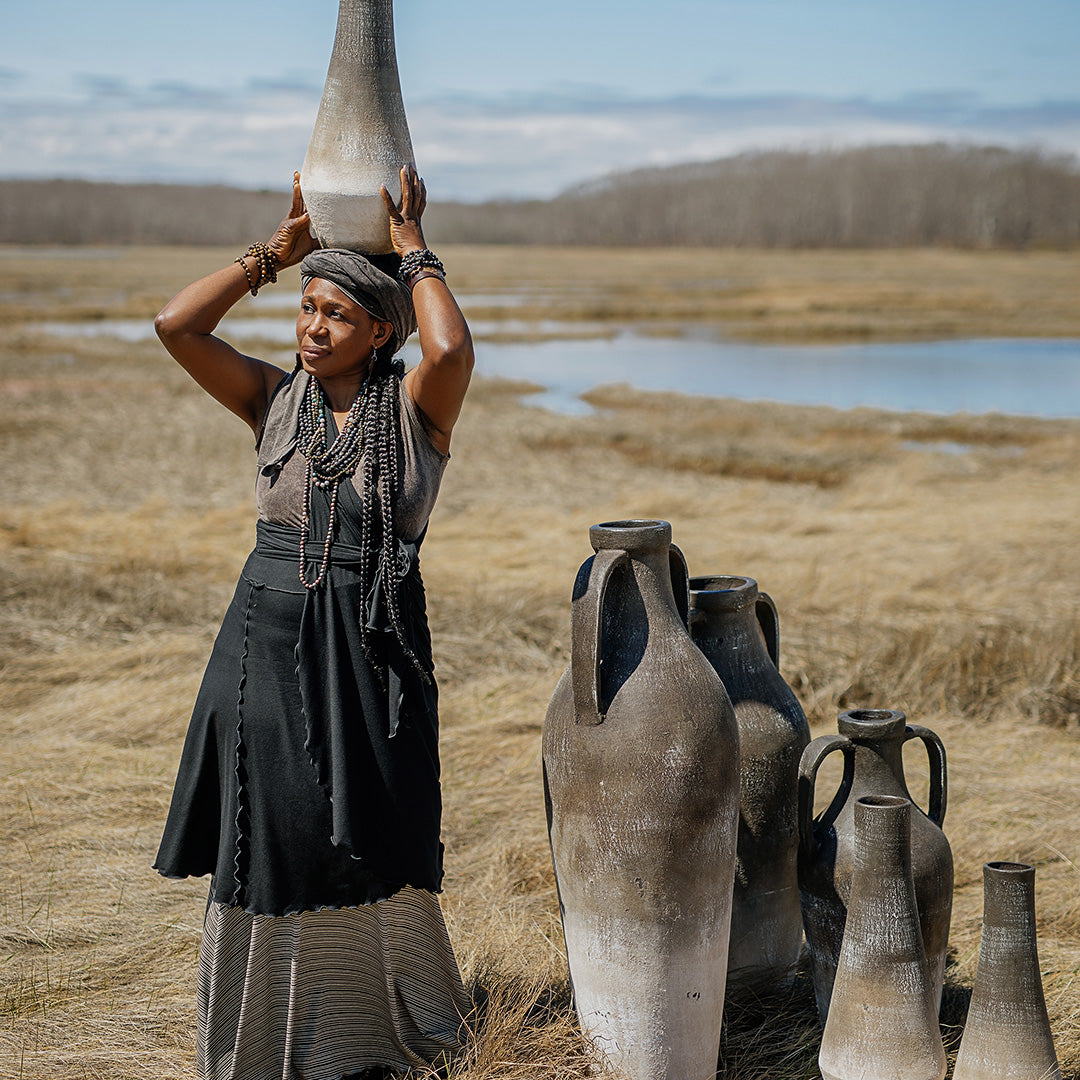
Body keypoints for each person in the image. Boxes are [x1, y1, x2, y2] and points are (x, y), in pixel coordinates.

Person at [152, 166, 474, 1080]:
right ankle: (267, 1036)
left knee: (374, 833)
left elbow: (451, 351)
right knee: (276, 836)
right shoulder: (271, 399)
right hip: (263, 646)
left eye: (335, 314)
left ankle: (369, 1025)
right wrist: (272, 255)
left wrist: (412, 250)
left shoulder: (414, 414)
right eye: (305, 310)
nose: (311, 328)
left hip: (373, 654)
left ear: (379, 331)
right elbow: (177, 326)